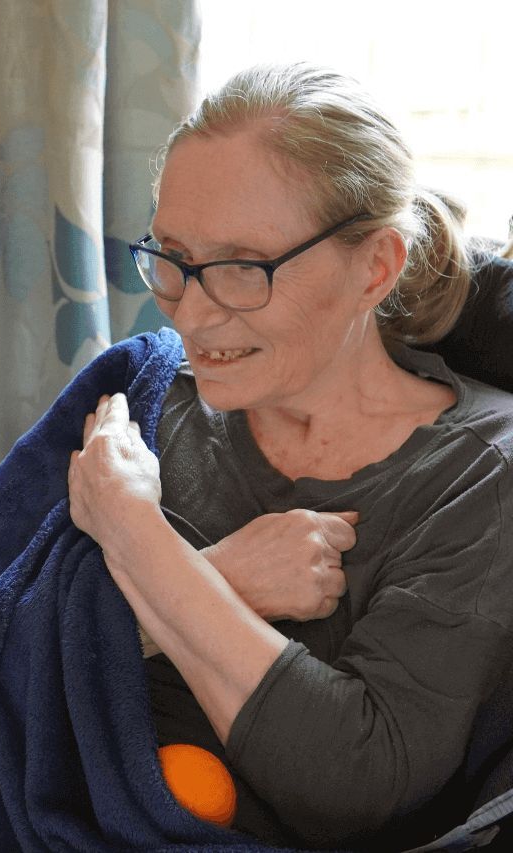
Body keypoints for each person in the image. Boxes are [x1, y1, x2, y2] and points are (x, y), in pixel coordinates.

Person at [68, 62, 513, 847]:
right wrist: (227, 578)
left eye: (244, 267)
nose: (192, 314)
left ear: (375, 266)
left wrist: (136, 534)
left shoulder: (478, 476)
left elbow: (358, 780)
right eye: (173, 256)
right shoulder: (145, 394)